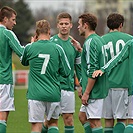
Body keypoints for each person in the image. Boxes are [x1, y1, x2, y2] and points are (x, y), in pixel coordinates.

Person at [21, 19, 71, 133]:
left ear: (36, 34)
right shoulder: (58, 48)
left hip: (35, 94)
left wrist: (33, 44)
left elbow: (24, 62)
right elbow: (67, 72)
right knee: (53, 123)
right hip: (53, 93)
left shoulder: (30, 47)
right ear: (49, 31)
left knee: (36, 126)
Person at [43, 12, 81, 133]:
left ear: (71, 25)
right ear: (57, 25)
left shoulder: (75, 45)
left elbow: (78, 67)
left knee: (68, 119)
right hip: (53, 87)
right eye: (61, 24)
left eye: (66, 23)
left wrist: (80, 85)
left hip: (68, 88)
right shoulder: (51, 42)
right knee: (49, 121)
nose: (64, 26)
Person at [92, 39, 133, 133]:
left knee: (130, 121)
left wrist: (103, 69)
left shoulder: (131, 44)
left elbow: (118, 58)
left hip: (125, 87)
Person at [100, 13, 132, 133]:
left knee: (108, 120)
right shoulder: (129, 39)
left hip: (105, 85)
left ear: (108, 25)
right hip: (123, 84)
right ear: (121, 25)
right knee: (122, 119)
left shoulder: (101, 40)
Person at [77, 13, 108, 133]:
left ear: (85, 25)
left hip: (94, 90)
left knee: (95, 122)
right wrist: (81, 50)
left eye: (79, 25)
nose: (77, 27)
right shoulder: (98, 39)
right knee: (83, 117)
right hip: (96, 87)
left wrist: (86, 92)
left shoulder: (90, 42)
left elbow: (93, 70)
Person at [0, 6, 24, 133]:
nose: (14, 23)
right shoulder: (7, 33)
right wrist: (34, 45)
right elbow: (21, 52)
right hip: (3, 80)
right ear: (5, 19)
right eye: (13, 20)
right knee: (2, 117)